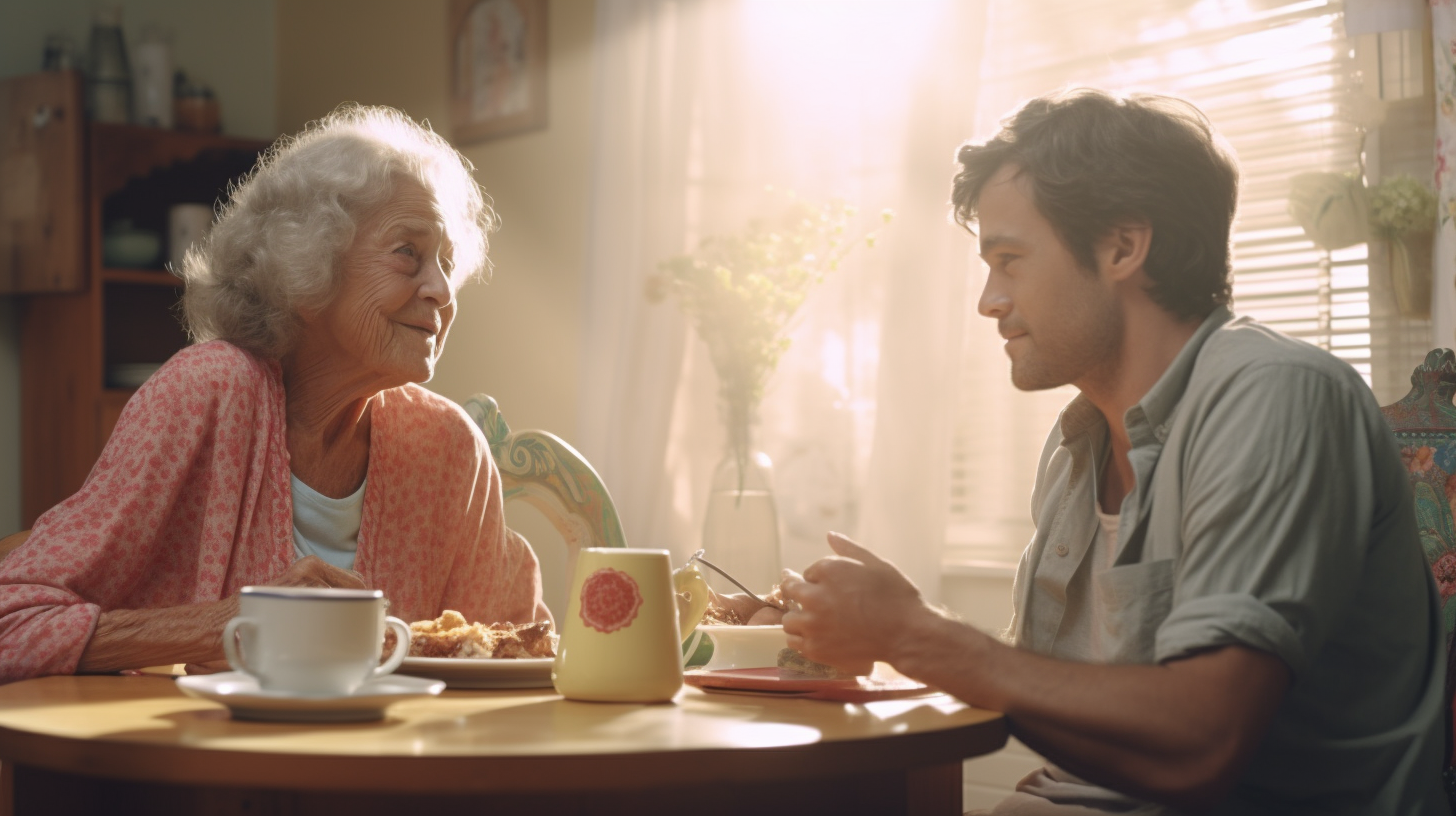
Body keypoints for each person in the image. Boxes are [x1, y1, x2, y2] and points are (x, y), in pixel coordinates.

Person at [777, 89, 1449, 814]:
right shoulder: (1079, 442)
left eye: (1010, 260)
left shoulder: (1275, 396)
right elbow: (1033, 686)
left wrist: (914, 635)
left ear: (1124, 247)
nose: (988, 301)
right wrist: (869, 631)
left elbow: (1201, 741)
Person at [0, 105, 549, 683]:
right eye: (408, 253)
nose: (441, 291)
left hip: (397, 768)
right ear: (307, 264)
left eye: (447, 262)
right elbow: (12, 624)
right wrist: (234, 622)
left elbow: (518, 655)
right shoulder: (208, 391)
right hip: (199, 762)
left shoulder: (447, 447)